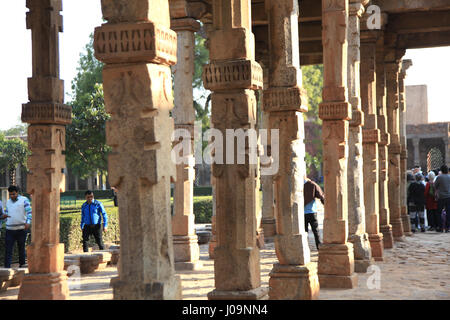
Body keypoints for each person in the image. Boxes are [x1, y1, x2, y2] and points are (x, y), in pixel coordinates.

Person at [1, 186, 32, 268]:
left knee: (21, 249)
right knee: (8, 250)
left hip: (21, 229)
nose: (12, 196)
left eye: (13, 194)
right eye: (10, 194)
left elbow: (29, 212)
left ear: (17, 192)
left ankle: (22, 267)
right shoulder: (8, 202)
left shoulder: (24, 200)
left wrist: (28, 222)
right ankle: (7, 269)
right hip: (9, 230)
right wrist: (5, 217)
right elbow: (7, 213)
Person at [304, 176, 325, 250]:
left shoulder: (297, 186)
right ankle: (319, 248)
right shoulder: (312, 185)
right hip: (312, 212)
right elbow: (321, 195)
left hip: (301, 214)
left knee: (304, 232)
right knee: (316, 232)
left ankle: (304, 248)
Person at [435, 164, 450, 233]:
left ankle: (440, 227)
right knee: (448, 212)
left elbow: (435, 186)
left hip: (441, 197)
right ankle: (447, 227)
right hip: (449, 197)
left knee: (439, 212)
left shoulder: (439, 177)